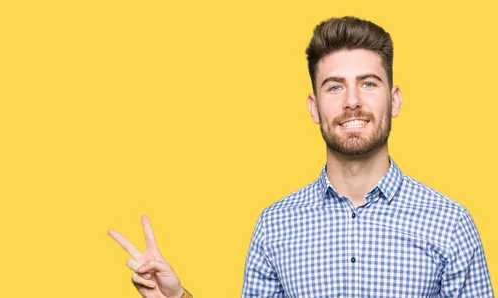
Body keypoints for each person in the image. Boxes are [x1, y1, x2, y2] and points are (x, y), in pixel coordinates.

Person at [109, 16, 494, 297]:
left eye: (369, 83)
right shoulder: (275, 227)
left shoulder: (451, 225)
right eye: (334, 87)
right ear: (314, 107)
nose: (353, 101)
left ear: (394, 100)